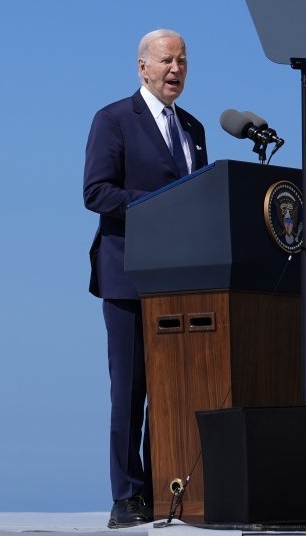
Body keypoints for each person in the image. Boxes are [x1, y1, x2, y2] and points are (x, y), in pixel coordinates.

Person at [83, 29, 207, 528]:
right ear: (142, 67)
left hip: (181, 279)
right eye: (165, 61)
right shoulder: (113, 119)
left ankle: (163, 490)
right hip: (127, 275)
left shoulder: (194, 127)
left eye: (182, 61)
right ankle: (126, 497)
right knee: (130, 392)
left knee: (172, 391)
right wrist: (158, 208)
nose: (175, 69)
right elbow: (97, 192)